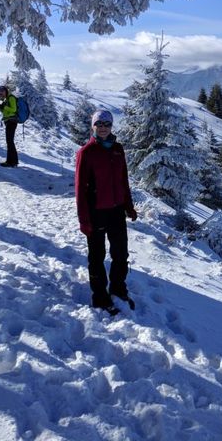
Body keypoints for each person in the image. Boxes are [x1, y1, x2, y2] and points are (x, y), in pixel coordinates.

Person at [75, 109, 138, 313]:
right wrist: (84, 220)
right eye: (99, 124)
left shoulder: (118, 149)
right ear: (93, 126)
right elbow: (80, 190)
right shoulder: (86, 152)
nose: (103, 127)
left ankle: (118, 288)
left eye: (107, 124)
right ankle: (100, 297)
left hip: (117, 210)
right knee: (97, 256)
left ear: (112, 126)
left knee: (121, 253)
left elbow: (123, 181)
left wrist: (129, 206)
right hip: (96, 212)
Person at [0, 85, 18, 167]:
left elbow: (13, 110)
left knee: (10, 142)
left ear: (6, 91)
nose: (1, 94)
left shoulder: (11, 98)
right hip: (8, 121)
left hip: (12, 121)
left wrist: (4, 106)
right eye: (0, 92)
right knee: (10, 142)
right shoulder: (6, 99)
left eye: (2, 92)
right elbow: (5, 111)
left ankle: (11, 162)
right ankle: (14, 161)